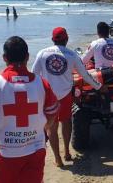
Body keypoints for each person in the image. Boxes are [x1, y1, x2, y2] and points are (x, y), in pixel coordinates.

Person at [0, 36, 58, 183]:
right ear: (27, 57)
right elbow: (52, 114)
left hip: (4, 154)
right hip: (35, 150)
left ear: (4, 58)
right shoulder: (42, 84)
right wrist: (41, 130)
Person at [32, 27, 104, 167]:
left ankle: (58, 159)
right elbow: (85, 75)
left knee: (52, 128)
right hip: (65, 96)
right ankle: (66, 152)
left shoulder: (42, 53)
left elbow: (34, 75)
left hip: (48, 97)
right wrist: (99, 87)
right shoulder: (72, 55)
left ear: (52, 39)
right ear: (67, 39)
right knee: (66, 122)